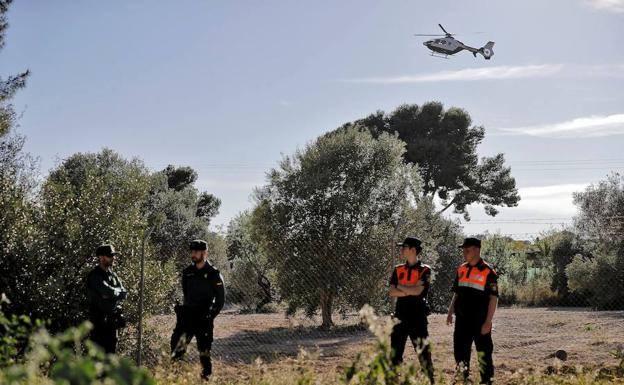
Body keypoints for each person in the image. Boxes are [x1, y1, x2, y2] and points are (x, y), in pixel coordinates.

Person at [170, 239, 225, 381]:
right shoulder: (187, 272)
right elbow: (186, 294)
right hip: (187, 319)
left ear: (204, 253)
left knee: (204, 354)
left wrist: (210, 316)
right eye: (192, 252)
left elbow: (220, 300)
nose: (193, 254)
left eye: (196, 252)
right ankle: (174, 379)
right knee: (178, 350)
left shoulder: (214, 274)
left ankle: (206, 379)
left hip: (203, 320)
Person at [446, 237, 498, 385]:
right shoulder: (461, 268)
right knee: (460, 351)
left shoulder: (489, 272)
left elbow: (494, 298)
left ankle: (486, 381)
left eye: (467, 250)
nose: (464, 252)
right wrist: (450, 312)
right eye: (463, 249)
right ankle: (462, 378)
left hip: (480, 320)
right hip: (462, 319)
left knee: (484, 353)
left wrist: (488, 321)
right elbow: (457, 292)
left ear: (476, 250)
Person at [389, 237, 435, 384]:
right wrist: (409, 290)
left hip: (418, 317)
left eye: (404, 247)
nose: (401, 249)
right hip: (400, 315)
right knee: (395, 351)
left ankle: (429, 379)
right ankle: (394, 379)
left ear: (413, 250)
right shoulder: (398, 269)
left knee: (423, 351)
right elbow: (391, 292)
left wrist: (400, 287)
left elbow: (418, 291)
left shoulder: (425, 270)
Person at [86, 244, 127, 354]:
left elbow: (124, 293)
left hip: (112, 323)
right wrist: (113, 293)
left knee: (111, 356)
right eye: (110, 256)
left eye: (113, 255)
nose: (113, 258)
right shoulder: (95, 276)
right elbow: (106, 291)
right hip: (98, 323)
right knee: (98, 358)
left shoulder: (113, 275)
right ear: (101, 257)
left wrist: (112, 294)